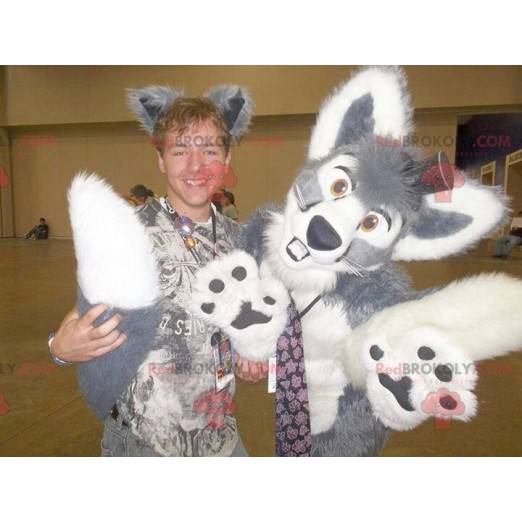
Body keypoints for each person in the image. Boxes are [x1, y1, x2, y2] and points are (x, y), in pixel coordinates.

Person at [49, 89, 266, 457]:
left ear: (226, 159)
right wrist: (60, 348)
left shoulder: (242, 241)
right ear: (161, 160)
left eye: (209, 151)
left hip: (220, 436)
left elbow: (245, 326)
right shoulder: (126, 232)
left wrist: (251, 355)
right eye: (180, 151)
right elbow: (82, 318)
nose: (196, 167)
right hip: (141, 444)